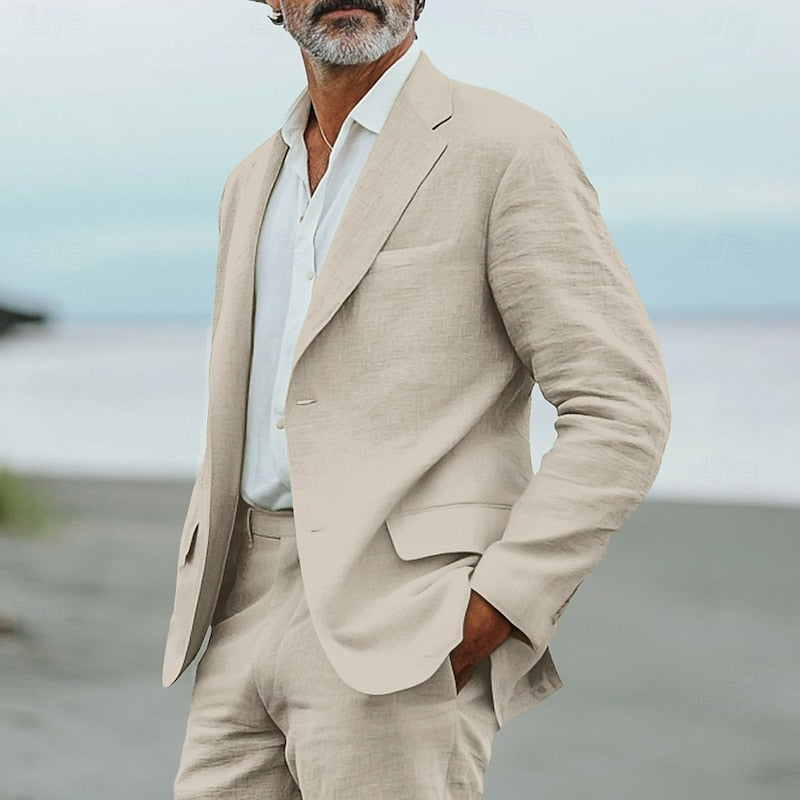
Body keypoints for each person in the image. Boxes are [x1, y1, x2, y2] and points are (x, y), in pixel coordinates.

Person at [162, 1, 671, 797]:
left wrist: (503, 599)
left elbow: (620, 403)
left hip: (406, 618)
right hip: (239, 604)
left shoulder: (508, 148)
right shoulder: (251, 180)